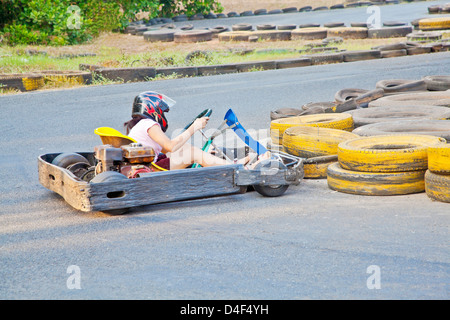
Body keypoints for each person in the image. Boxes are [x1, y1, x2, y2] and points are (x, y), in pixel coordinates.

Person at [124, 91, 267, 171]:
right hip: (150, 170)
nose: (163, 115)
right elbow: (170, 146)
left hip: (148, 165)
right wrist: (194, 127)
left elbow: (169, 150)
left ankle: (233, 163)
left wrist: (204, 154)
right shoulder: (149, 124)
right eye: (163, 111)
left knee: (188, 149)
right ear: (153, 110)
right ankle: (239, 168)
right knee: (192, 153)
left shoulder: (140, 126)